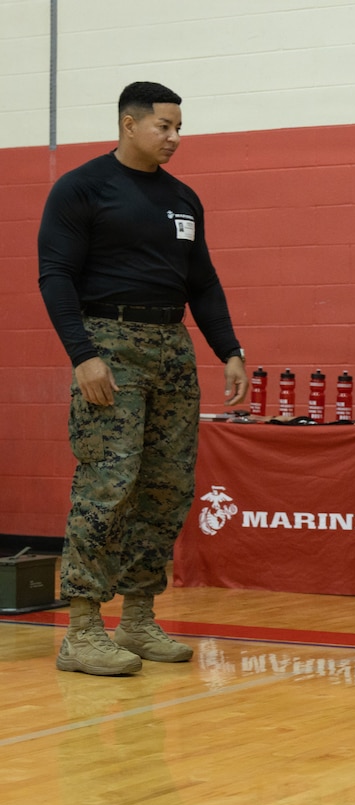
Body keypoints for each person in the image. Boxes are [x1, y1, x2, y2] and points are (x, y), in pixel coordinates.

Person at [38, 81, 249, 676]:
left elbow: (201, 282)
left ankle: (135, 619)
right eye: (165, 126)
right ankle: (81, 629)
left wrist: (228, 348)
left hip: (172, 348)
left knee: (166, 486)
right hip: (109, 345)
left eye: (179, 127)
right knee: (110, 481)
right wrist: (83, 354)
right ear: (129, 124)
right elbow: (54, 275)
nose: (175, 138)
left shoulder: (183, 198)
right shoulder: (82, 188)